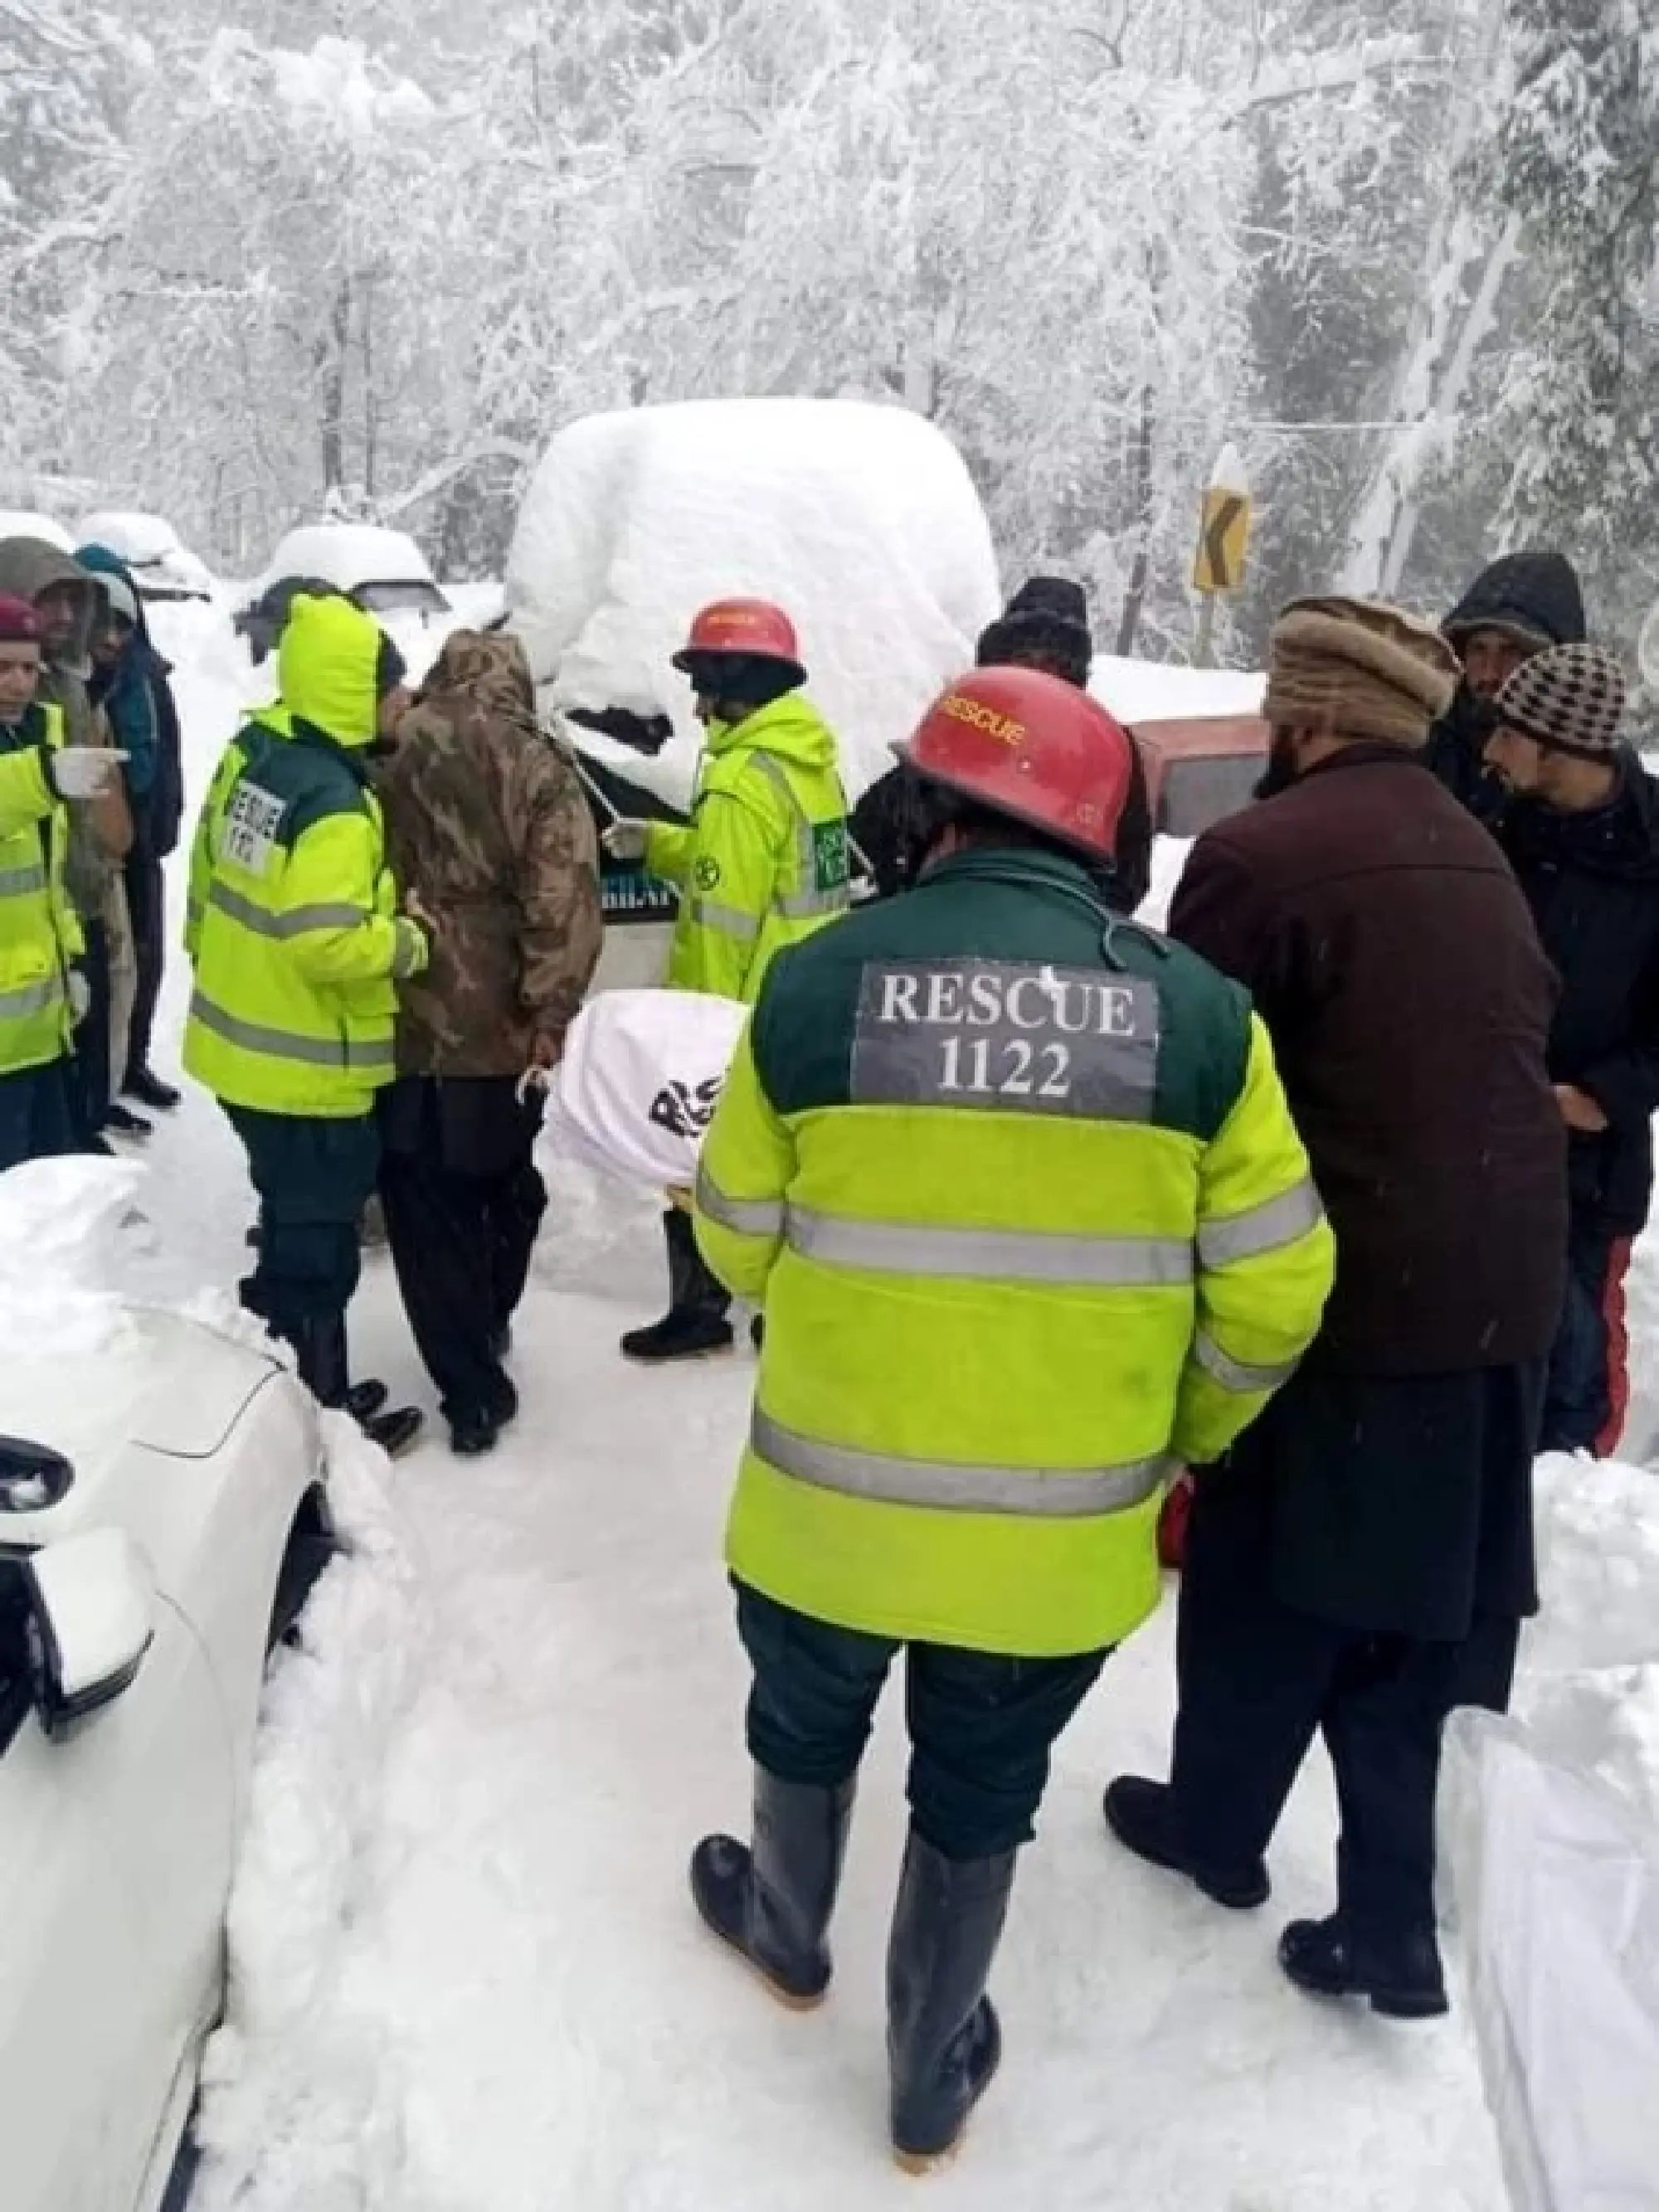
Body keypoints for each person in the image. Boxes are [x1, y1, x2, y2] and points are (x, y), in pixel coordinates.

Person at [687, 666, 1333, 2169]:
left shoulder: (812, 983)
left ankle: (786, 1932)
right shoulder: (1199, 1023)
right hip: (1053, 1553)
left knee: (803, 1718)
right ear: (1098, 837)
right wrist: (1192, 1429)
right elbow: (1281, 1292)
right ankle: (925, 2078)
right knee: (981, 1782)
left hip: (820, 1519)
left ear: (928, 809)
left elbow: (729, 1236)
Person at [1104, 596, 1568, 2022]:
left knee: (1266, 1589)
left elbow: (1197, 1084)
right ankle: (1389, 1923)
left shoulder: (1257, 855)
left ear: (1301, 720)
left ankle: (1217, 1827)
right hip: (1495, 1301)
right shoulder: (1476, 845)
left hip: (1349, 1296)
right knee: (1417, 1622)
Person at [182, 592, 426, 1458]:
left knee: (290, 1220)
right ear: (356, 694)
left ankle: (286, 1390)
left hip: (240, 1044)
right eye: (393, 690)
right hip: (306, 1070)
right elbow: (324, 938)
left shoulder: (258, 751)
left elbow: (208, 871)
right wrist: (404, 943)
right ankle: (314, 1422)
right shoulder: (333, 803)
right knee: (315, 1248)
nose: (405, 704)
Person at [602, 599, 852, 1364]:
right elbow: (761, 870)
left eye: (704, 681)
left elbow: (722, 918)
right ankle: (788, 1309)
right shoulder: (807, 766)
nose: (697, 702)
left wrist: (694, 1035)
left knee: (694, 1164)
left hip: (739, 1011)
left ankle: (699, 1309)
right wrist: (658, 845)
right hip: (805, 997)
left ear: (733, 681)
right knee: (794, 1165)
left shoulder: (742, 780)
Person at [376, 630, 603, 1456]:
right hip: (496, 1020)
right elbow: (563, 896)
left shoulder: (393, 744)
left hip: (397, 1005)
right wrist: (550, 1011)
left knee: (422, 1200)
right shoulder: (536, 766)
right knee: (504, 1183)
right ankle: (487, 1329)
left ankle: (468, 1386)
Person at [1478, 643, 1659, 1457]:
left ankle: (1571, 1519)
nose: (1489, 750)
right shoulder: (1497, 828)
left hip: (1589, 1170)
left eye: (1506, 734)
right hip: (1479, 1148)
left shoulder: (1652, 852)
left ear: (1559, 745)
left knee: (1575, 1366)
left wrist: (1600, 1096)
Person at [850, 576, 1154, 909]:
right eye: (1023, 660)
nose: (1035, 677)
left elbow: (1127, 872)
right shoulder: (973, 720)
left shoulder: (1102, 751)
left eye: (1051, 665)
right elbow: (875, 833)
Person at [0, 535, 135, 1150]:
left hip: (41, 991)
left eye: (28, 669)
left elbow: (45, 864)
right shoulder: (33, 740)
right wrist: (46, 775)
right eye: (5, 667)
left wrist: (68, 958)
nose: (20, 683)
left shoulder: (56, 708)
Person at [76, 543, 186, 1115]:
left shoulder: (146, 671)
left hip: (146, 836)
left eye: (123, 618)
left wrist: (167, 816)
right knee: (110, 968)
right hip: (106, 848)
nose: (114, 633)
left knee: (147, 960)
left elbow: (164, 753)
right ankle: (101, 1079)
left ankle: (131, 1061)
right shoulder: (85, 681)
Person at [1423, 550, 1586, 813]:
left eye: (1511, 652)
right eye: (1478, 649)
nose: (1490, 673)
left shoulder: (1602, 782)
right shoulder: (1420, 742)